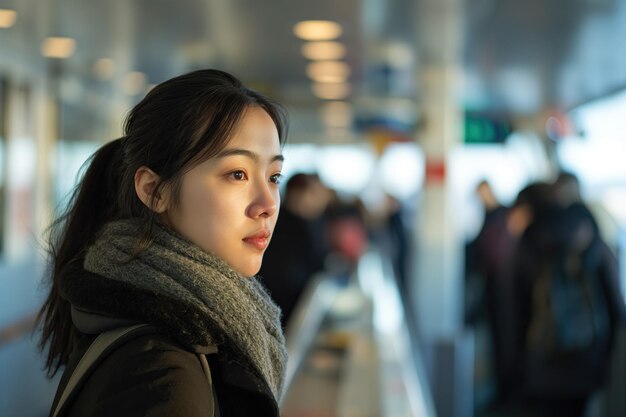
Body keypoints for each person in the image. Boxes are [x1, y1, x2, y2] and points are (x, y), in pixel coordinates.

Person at [37, 69, 289, 416]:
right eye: (237, 174)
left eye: (274, 176)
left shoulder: (169, 332)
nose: (268, 204)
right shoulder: (163, 373)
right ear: (154, 191)